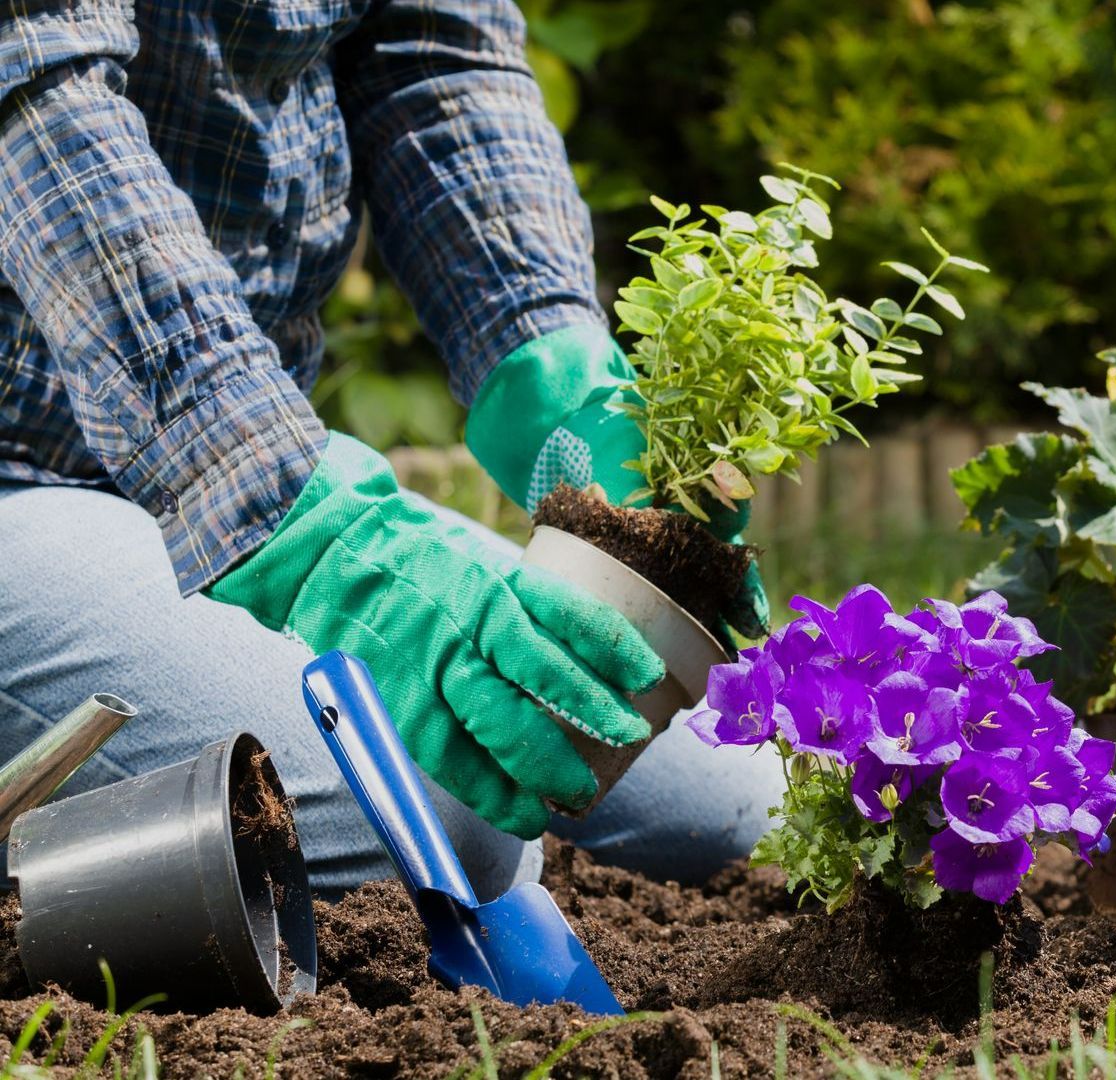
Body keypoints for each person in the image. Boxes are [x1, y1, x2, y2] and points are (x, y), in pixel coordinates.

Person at [0, 1, 783, 897]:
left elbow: (429, 52)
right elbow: (31, 77)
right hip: (25, 473)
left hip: (186, 502)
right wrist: (295, 513)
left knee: (739, 796)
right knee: (436, 828)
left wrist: (547, 367)